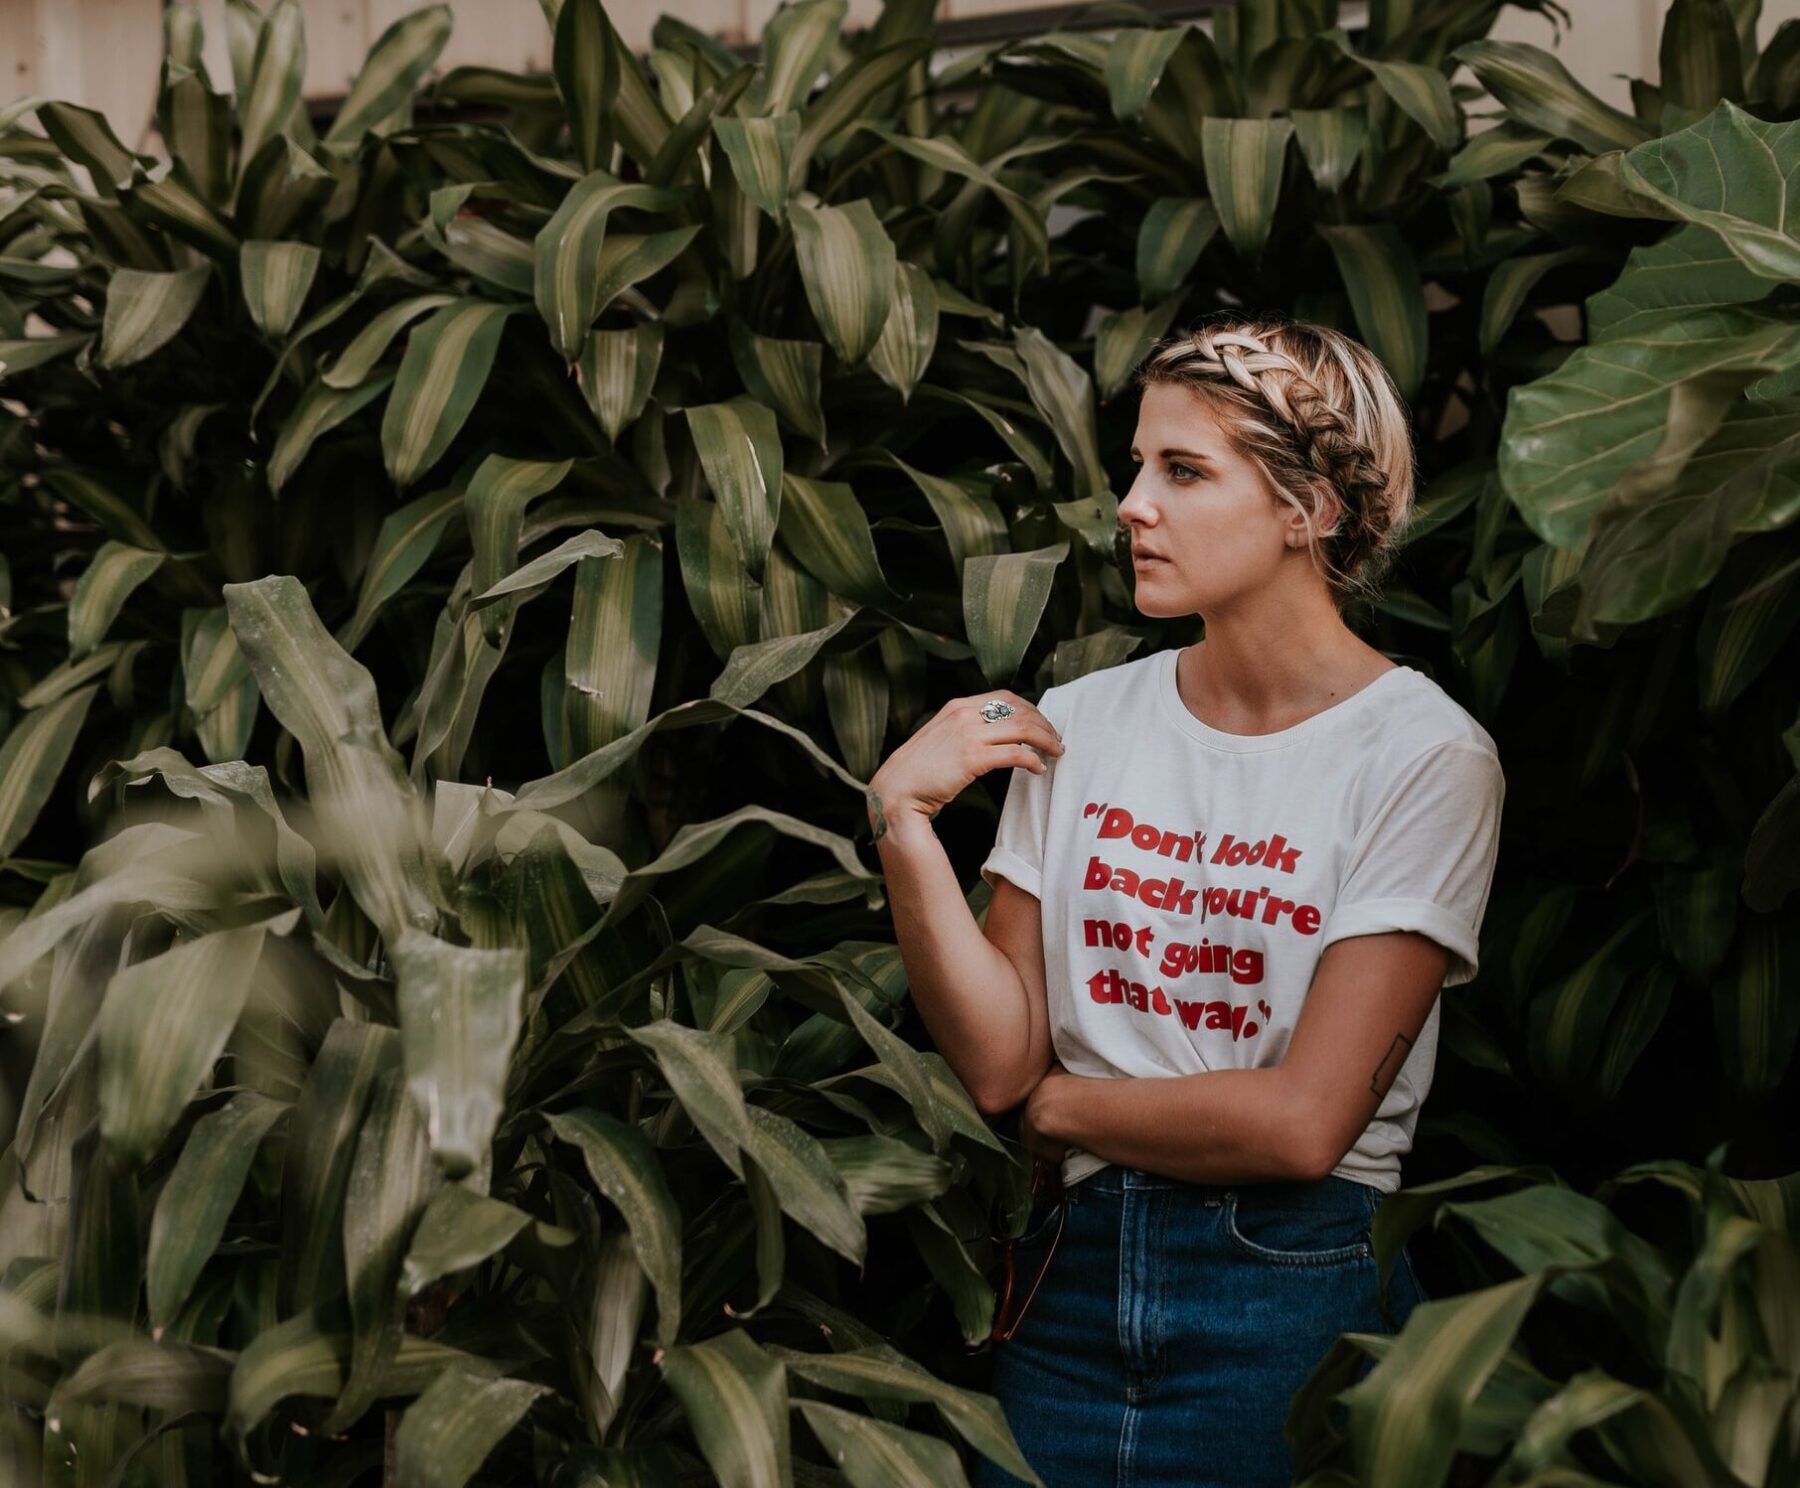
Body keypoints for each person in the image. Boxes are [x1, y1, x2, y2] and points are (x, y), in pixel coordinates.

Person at [864, 314, 1507, 1487]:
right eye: (1137, 466)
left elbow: (1303, 1124)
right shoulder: (1087, 719)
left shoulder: (1422, 757)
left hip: (1290, 1293)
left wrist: (1065, 1108)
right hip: (1065, 1290)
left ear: (1310, 508)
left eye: (1184, 471)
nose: (1131, 505)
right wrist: (904, 823)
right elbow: (1000, 1065)